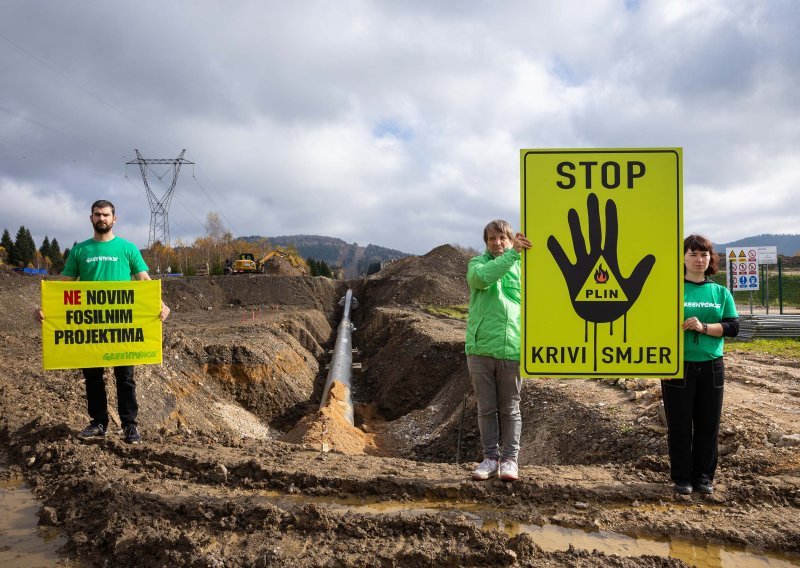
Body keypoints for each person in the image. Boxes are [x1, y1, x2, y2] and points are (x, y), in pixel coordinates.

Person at [36, 200, 170, 444]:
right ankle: (99, 422)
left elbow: (144, 280)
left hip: (122, 326)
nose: (102, 218)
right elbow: (63, 285)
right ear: (91, 218)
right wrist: (45, 309)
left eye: (106, 215)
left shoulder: (128, 249)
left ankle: (130, 425)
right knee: (93, 377)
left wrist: (160, 304)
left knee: (125, 378)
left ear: (114, 219)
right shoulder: (80, 251)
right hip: (90, 326)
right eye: (97, 214)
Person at [661, 234, 739, 495]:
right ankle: (682, 478)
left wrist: (703, 327)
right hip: (677, 366)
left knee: (708, 425)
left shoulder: (720, 292)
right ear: (682, 257)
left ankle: (704, 477)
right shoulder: (669, 290)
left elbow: (732, 327)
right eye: (692, 254)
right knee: (679, 425)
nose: (698, 259)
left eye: (704, 254)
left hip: (711, 366)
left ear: (711, 259)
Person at [465, 219, 531, 481]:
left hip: (513, 349)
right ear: (486, 243)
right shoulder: (476, 265)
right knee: (486, 408)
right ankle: (490, 458)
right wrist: (514, 253)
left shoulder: (525, 268)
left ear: (510, 238)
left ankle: (510, 460)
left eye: (502, 238)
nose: (497, 242)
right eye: (492, 239)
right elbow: (482, 280)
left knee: (511, 408)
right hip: (480, 350)